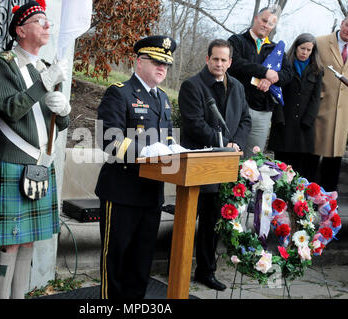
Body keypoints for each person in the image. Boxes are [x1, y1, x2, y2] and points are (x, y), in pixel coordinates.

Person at [0, 0, 71, 299]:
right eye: (39, 21)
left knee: (28, 242)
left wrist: (65, 110)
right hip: (12, 161)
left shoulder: (47, 67)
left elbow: (58, 122)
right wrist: (45, 83)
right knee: (10, 242)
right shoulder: (4, 62)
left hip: (40, 163)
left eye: (48, 21)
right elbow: (10, 108)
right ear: (20, 30)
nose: (48, 26)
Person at [95, 35, 179, 299]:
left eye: (166, 63)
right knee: (116, 262)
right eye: (156, 61)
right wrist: (143, 151)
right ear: (139, 61)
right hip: (122, 192)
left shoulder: (164, 99)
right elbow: (108, 139)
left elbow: (167, 140)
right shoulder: (119, 92)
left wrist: (175, 150)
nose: (162, 67)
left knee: (141, 265)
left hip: (151, 193)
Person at [178, 39, 251, 291]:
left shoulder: (238, 87)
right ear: (207, 59)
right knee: (191, 220)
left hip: (226, 165)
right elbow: (194, 124)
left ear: (230, 62)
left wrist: (236, 144)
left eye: (224, 60)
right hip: (199, 165)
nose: (219, 64)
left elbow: (245, 120)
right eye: (215, 59)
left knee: (213, 222)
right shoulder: (192, 86)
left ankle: (206, 271)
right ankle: (179, 268)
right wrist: (224, 144)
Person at [228, 6, 293, 159]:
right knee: (229, 153)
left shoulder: (276, 49)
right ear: (256, 18)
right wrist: (264, 72)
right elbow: (235, 63)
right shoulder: (236, 41)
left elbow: (288, 74)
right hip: (235, 106)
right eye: (264, 20)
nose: (266, 25)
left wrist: (271, 80)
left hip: (262, 111)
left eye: (270, 24)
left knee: (253, 159)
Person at [268, 33, 323, 181]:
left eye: (309, 50)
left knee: (299, 170)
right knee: (281, 169)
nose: (305, 52)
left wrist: (308, 120)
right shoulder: (285, 65)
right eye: (302, 48)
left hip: (304, 129)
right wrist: (278, 119)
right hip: (284, 125)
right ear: (296, 47)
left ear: (313, 51)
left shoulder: (317, 70)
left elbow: (315, 99)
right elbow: (277, 93)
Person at [309, 12, 348, 191]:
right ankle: (303, 205)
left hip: (344, 112)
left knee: (334, 159)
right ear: (342, 23)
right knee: (311, 158)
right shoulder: (320, 42)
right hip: (319, 109)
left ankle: (329, 207)